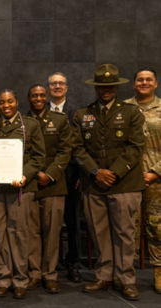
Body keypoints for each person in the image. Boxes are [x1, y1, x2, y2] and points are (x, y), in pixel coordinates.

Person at [72, 64, 146, 301]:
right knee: (99, 231)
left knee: (125, 233)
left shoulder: (132, 112)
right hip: (94, 184)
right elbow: (77, 148)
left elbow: (136, 148)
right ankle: (104, 275)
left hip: (124, 183)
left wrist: (112, 173)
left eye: (110, 85)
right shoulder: (83, 114)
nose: (106, 89)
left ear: (117, 86)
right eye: (102, 86)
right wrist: (95, 171)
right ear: (96, 87)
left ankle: (126, 279)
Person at [0, 89, 45, 299]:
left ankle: (20, 279)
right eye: (1, 102)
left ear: (17, 102)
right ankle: (3, 277)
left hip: (21, 188)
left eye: (10, 101)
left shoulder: (30, 125)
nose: (6, 105)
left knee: (19, 234)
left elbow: (39, 157)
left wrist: (25, 175)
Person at [26, 85, 72, 293]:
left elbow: (65, 151)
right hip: (28, 183)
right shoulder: (21, 121)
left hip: (53, 183)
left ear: (47, 98)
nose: (38, 98)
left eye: (41, 95)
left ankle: (50, 274)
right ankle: (34, 273)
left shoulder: (60, 120)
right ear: (28, 98)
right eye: (34, 95)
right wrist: (33, 174)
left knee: (52, 232)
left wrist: (50, 174)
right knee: (31, 232)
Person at [124, 67, 161, 293]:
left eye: (148, 80)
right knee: (129, 228)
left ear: (156, 84)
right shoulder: (125, 108)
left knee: (158, 227)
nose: (144, 83)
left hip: (158, 180)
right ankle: (128, 275)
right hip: (129, 179)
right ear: (134, 83)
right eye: (140, 79)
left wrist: (155, 172)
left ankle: (159, 272)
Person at [47, 72, 82, 283]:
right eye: (53, 84)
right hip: (48, 177)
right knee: (49, 222)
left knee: (72, 221)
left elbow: (81, 146)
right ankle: (52, 262)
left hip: (71, 176)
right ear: (48, 87)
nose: (57, 86)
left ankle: (73, 264)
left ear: (67, 87)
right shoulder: (38, 111)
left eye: (61, 83)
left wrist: (80, 175)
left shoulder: (77, 113)